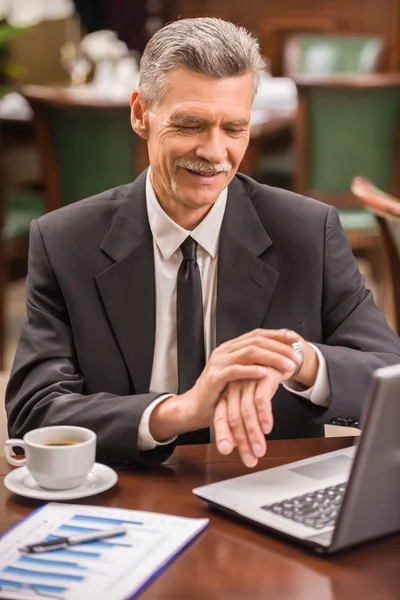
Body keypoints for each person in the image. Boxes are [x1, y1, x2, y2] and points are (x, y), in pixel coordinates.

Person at [6, 18, 400, 469]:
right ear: (140, 114)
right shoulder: (63, 241)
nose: (215, 153)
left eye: (233, 129)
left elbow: (391, 379)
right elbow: (33, 413)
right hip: (126, 493)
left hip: (264, 491)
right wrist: (178, 411)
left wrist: (300, 361)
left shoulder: (308, 232)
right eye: (191, 125)